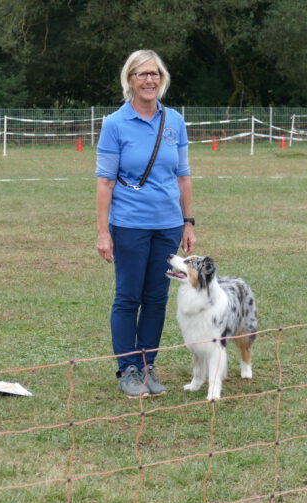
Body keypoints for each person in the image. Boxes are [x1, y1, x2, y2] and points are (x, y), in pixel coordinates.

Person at [95, 50, 196, 398]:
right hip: (129, 225)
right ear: (130, 80)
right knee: (128, 297)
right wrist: (103, 232)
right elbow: (105, 182)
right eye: (142, 74)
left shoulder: (175, 121)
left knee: (156, 298)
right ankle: (128, 369)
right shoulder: (114, 124)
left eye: (155, 74)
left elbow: (183, 176)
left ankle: (148, 365)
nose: (149, 80)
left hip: (168, 225)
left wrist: (188, 222)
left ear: (162, 79)